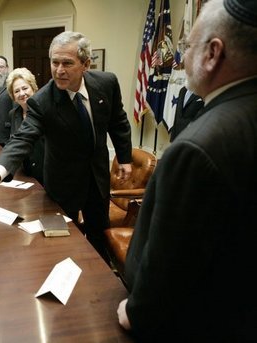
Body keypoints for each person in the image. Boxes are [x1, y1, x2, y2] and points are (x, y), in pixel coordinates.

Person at [117, 0, 257, 341]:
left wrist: (135, 313)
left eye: (187, 46)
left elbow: (170, 266)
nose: (180, 58)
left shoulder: (197, 147)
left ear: (212, 54)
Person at [0, 31, 132, 262]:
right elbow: (22, 138)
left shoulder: (107, 83)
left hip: (97, 178)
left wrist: (124, 158)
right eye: (55, 62)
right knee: (64, 247)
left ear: (85, 64)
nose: (59, 70)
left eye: (67, 63)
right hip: (63, 184)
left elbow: (118, 121)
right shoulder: (42, 101)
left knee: (98, 240)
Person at [6, 67, 44, 185]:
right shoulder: (13, 114)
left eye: (25, 88)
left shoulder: (45, 110)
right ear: (13, 96)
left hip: (46, 175)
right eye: (17, 91)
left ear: (33, 88)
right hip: (26, 175)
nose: (22, 94)